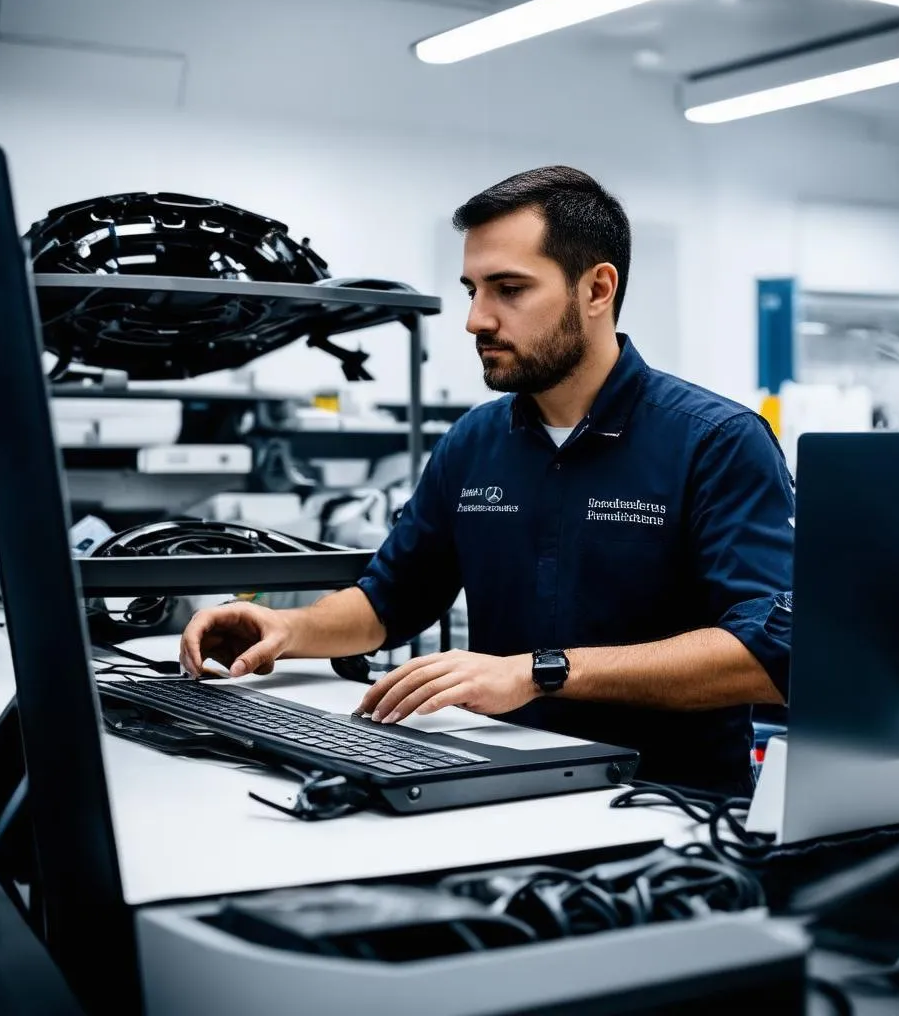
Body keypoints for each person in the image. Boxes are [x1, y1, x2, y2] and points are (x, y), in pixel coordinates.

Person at [180, 165, 794, 797]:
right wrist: (287, 630)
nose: (475, 319)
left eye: (508, 289)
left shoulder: (716, 441)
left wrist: (540, 672)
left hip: (668, 804)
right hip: (500, 785)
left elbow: (769, 657)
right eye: (473, 289)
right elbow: (391, 600)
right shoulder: (474, 442)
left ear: (597, 289)